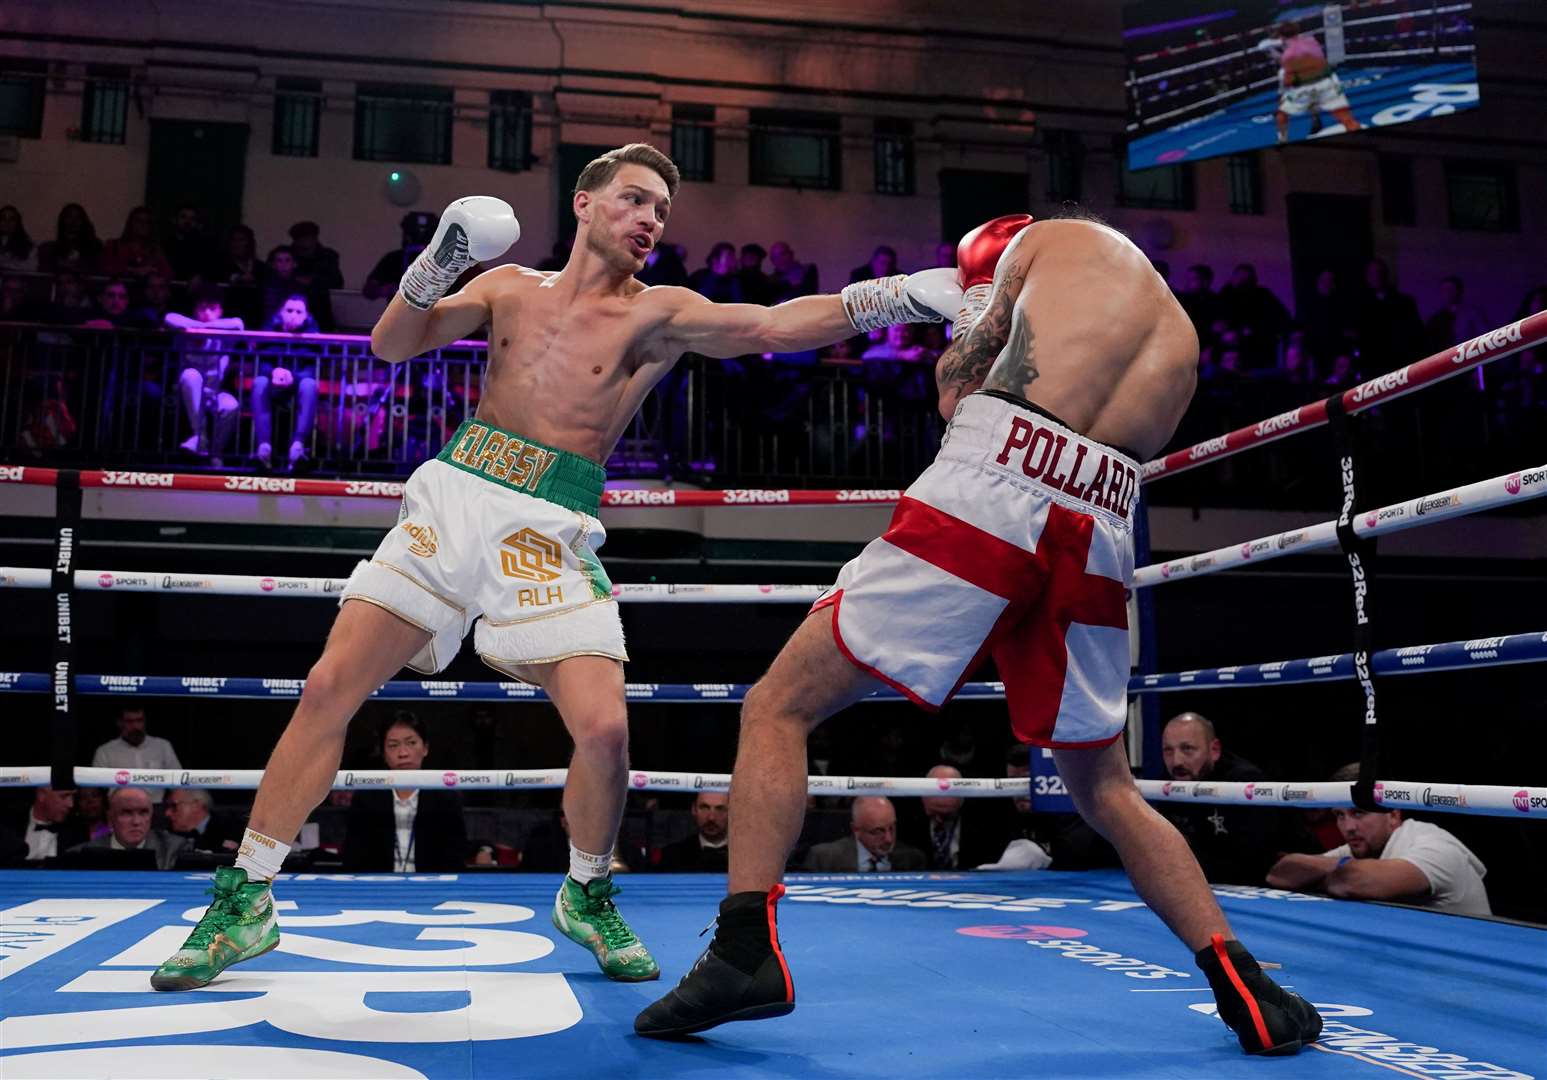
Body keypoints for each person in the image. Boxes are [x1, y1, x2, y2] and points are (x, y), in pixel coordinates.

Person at [152, 142, 961, 993]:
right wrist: (437, 263)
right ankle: (246, 898)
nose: (650, 220)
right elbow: (393, 345)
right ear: (583, 203)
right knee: (329, 688)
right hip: (457, 497)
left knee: (605, 729)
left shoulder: (659, 312)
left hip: (552, 524)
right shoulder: (505, 288)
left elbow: (767, 324)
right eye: (635, 200)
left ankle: (586, 889)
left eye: (661, 210)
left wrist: (895, 297)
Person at [638, 209, 1322, 1057]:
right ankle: (1245, 987)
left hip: (994, 482)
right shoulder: (1175, 332)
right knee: (1104, 784)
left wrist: (968, 317)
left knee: (777, 706)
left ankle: (743, 952)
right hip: (1103, 520)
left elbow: (962, 394)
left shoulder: (1033, 250)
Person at [1266, 766, 1490, 916]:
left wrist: (1332, 871)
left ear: (1393, 815)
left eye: (1358, 813)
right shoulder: (1361, 849)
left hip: (1479, 971)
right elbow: (1279, 873)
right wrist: (1339, 867)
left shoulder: (1433, 846)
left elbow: (1350, 881)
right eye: (1339, 816)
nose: (1348, 827)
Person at [1158, 712, 1306, 886]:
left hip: (1295, 885)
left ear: (1214, 750)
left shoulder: (1244, 784)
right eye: (1168, 750)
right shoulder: (1166, 784)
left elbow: (1253, 865)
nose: (1176, 761)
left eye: (1187, 749)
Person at [341, 712, 468, 872]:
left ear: (425, 748)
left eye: (411, 743)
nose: (403, 753)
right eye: (393, 745)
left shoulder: (445, 797)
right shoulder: (367, 797)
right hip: (379, 889)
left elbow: (455, 856)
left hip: (432, 888)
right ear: (383, 753)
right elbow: (353, 857)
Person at [166, 287, 245, 468]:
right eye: (202, 308)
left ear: (220, 311)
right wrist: (197, 328)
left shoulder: (224, 336)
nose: (207, 313)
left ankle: (215, 453)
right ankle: (199, 436)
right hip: (186, 391)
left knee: (231, 405)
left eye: (212, 308)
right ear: (195, 310)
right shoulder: (185, 333)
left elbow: (238, 323)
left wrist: (204, 328)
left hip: (214, 393)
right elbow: (169, 318)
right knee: (191, 375)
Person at [1260, 19, 1360, 144]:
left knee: (1281, 114)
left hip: (1304, 88)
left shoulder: (1288, 55)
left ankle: (1282, 140)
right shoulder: (1311, 41)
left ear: (1281, 36)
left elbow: (1288, 78)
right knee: (1346, 118)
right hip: (1327, 83)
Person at [253, 294, 320, 472]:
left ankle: (297, 448)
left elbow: (311, 370)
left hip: (298, 386)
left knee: (309, 385)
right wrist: (272, 372)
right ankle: (264, 448)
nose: (293, 315)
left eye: (299, 312)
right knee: (259, 382)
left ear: (306, 316)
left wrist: (293, 377)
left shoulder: (313, 335)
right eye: (289, 310)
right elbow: (262, 364)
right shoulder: (269, 331)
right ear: (280, 313)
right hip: (272, 384)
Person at [68, 787, 188, 869]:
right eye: (126, 813)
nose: (136, 822)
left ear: (151, 816)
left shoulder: (174, 850)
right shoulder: (82, 855)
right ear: (110, 819)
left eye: (143, 813)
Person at [801, 796, 924, 872]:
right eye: (878, 831)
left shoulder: (913, 860)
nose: (889, 839)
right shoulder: (824, 859)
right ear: (856, 829)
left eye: (892, 828)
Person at [92, 705, 182, 800]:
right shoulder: (105, 751)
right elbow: (96, 788)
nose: (136, 726)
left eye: (139, 720)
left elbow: (178, 781)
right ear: (119, 723)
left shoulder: (163, 746)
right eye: (129, 722)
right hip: (120, 807)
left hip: (156, 806)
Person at [0, 786, 84, 864]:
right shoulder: (8, 825)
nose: (71, 804)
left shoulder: (78, 831)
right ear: (41, 795)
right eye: (64, 796)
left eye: (73, 797)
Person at [656, 792, 730, 872]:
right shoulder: (671, 856)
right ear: (694, 809)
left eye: (720, 809)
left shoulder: (744, 855)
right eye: (704, 808)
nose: (711, 818)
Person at [164, 788, 244, 854]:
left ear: (196, 806)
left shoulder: (233, 830)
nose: (167, 813)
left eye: (174, 806)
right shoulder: (166, 836)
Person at [36, 203, 102, 274]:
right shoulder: (48, 250)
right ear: (62, 222)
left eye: (78, 218)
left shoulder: (95, 248)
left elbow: (97, 273)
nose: (73, 222)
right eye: (69, 217)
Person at [0, 204, 36, 271]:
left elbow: (32, 266)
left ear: (17, 223)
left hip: (17, 278)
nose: (7, 222)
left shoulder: (27, 244)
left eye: (12, 219)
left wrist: (6, 265)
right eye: (3, 218)